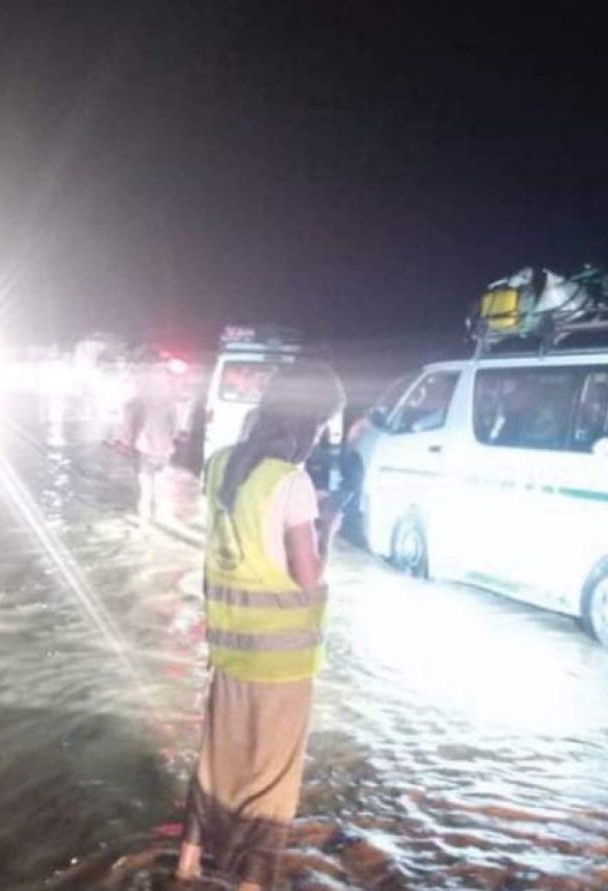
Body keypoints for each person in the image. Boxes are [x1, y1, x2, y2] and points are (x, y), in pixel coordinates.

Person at [176, 362, 346, 891]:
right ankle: (251, 883)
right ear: (309, 422)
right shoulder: (291, 482)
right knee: (270, 782)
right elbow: (305, 577)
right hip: (282, 660)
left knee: (217, 762)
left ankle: (187, 864)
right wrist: (329, 529)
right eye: (323, 425)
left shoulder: (221, 465)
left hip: (230, 648)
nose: (322, 436)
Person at [128, 353, 179, 524]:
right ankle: (160, 516)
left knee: (145, 484)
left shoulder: (139, 400)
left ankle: (144, 517)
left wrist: (129, 441)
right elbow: (176, 428)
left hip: (145, 448)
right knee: (160, 482)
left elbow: (132, 424)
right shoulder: (169, 401)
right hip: (163, 448)